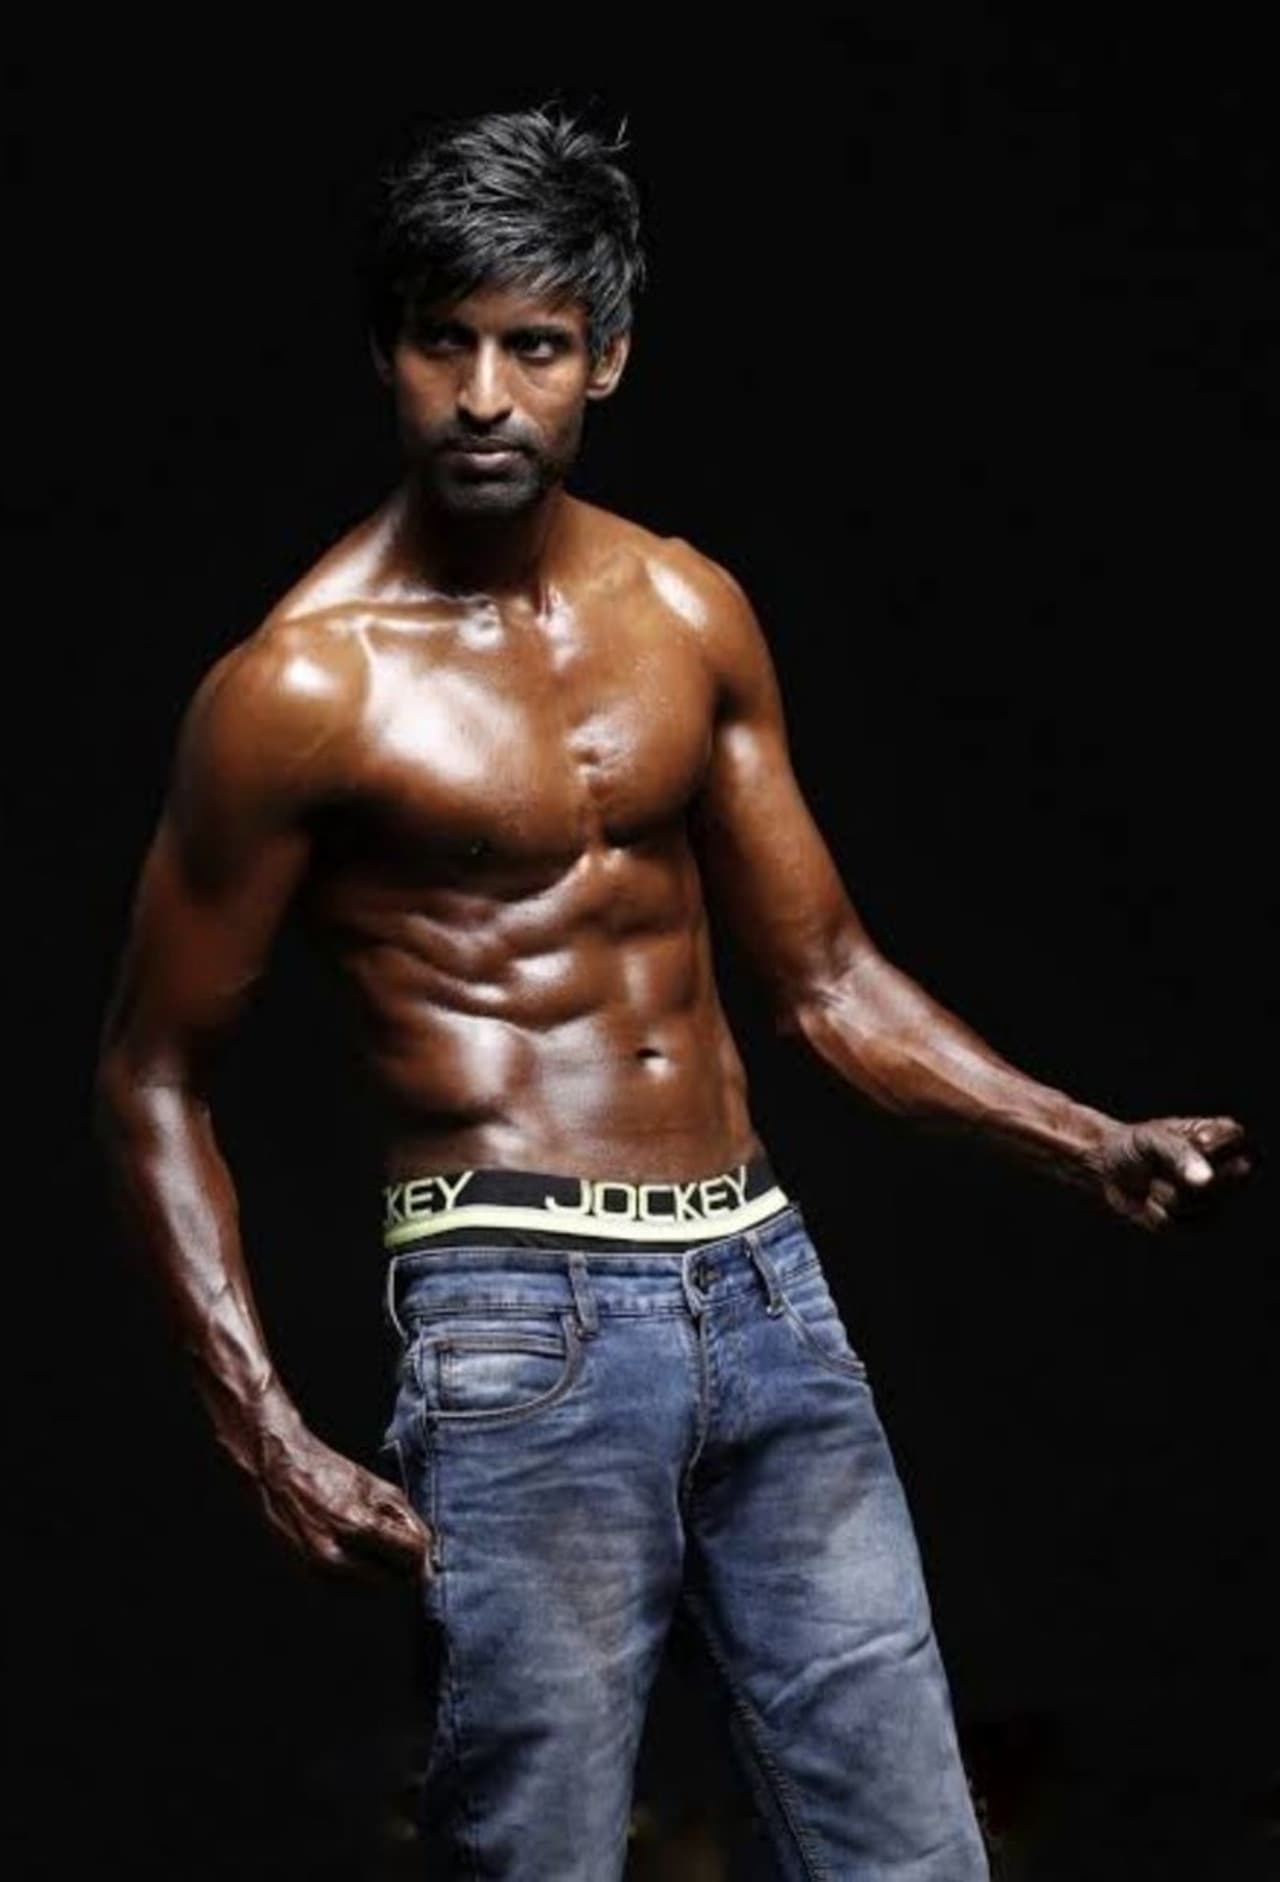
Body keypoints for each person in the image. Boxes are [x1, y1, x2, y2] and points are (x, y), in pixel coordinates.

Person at [93, 106, 1250, 1881]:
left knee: (912, 1854)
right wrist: (264, 1430)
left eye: (535, 346)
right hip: (516, 1315)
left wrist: (1082, 1139)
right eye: (445, 343)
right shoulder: (300, 689)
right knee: (539, 1855)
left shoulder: (687, 610)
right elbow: (151, 1075)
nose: (486, 396)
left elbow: (830, 978)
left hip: (765, 1288)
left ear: (607, 356)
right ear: (388, 354)